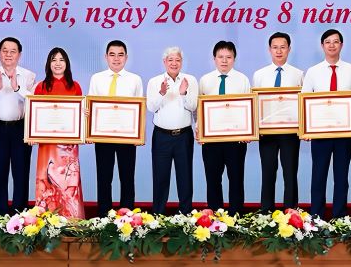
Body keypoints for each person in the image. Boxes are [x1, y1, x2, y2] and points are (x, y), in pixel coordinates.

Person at [301, 29, 351, 219]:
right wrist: (306, 129)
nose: (332, 45)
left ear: (341, 45)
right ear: (322, 46)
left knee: (342, 177)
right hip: (320, 134)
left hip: (344, 134)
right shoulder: (313, 72)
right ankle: (316, 217)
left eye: (336, 42)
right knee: (318, 176)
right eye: (328, 42)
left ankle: (339, 217)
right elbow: (305, 101)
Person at [87, 40, 143, 214]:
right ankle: (104, 216)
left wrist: (139, 135)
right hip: (102, 137)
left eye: (120, 55)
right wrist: (89, 132)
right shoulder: (96, 78)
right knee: (104, 178)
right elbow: (90, 108)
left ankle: (127, 216)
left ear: (126, 57)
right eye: (112, 54)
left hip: (127, 137)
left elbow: (139, 109)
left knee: (127, 178)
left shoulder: (135, 79)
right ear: (106, 57)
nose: (116, 59)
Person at [251, 32, 303, 213]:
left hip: (290, 132)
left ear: (289, 49)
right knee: (268, 173)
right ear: (269, 49)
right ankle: (266, 213)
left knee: (290, 174)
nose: (279, 51)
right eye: (275, 47)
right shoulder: (259, 75)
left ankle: (291, 214)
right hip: (267, 133)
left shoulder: (299, 75)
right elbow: (255, 104)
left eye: (283, 47)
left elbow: (302, 105)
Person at [0, 37, 36, 214]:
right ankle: (0, 214)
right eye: (5, 50)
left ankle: (20, 215)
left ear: (19, 54)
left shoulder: (29, 76)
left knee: (21, 173)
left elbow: (33, 104)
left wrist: (16, 87)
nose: (8, 54)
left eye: (13, 51)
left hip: (21, 128)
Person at [198, 40, 251, 215]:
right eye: (220, 57)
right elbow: (199, 109)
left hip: (235, 140)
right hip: (211, 140)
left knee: (236, 179)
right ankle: (215, 217)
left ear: (234, 59)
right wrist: (199, 129)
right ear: (214, 59)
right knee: (213, 180)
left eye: (228, 57)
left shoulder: (242, 79)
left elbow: (249, 108)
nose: (224, 61)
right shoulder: (205, 80)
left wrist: (248, 130)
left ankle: (236, 217)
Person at [33, 47, 84, 219]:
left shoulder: (75, 86)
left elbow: (79, 115)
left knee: (68, 183)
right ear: (48, 64)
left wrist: (84, 117)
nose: (57, 63)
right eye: (54, 59)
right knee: (47, 183)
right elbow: (35, 115)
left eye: (61, 59)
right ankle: (46, 221)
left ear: (67, 63)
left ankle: (72, 221)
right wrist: (32, 134)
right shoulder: (40, 86)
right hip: (47, 146)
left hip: (68, 147)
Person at [147, 46, 198, 215]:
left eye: (177, 60)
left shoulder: (190, 80)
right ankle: (158, 215)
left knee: (185, 177)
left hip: (183, 135)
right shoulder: (154, 82)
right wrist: (162, 92)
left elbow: (194, 107)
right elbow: (151, 107)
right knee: (160, 177)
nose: (174, 63)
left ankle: (186, 214)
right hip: (161, 135)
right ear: (164, 62)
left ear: (182, 62)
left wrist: (183, 93)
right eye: (170, 60)